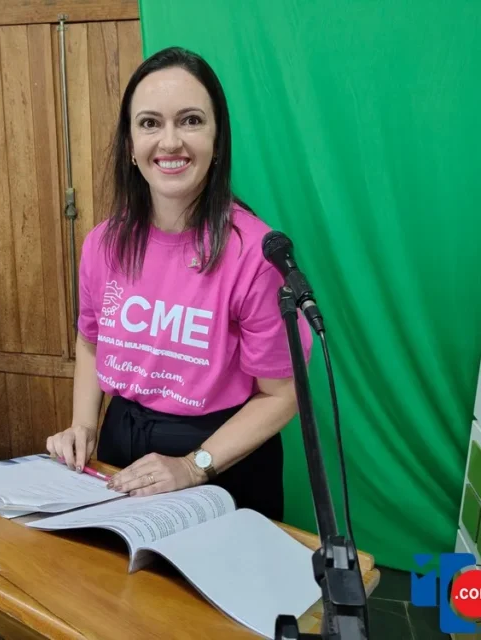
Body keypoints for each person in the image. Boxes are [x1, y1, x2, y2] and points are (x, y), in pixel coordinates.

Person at [46, 47, 312, 521]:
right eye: (150, 123)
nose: (170, 142)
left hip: (222, 458)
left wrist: (193, 466)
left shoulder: (256, 254)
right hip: (121, 445)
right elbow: (91, 341)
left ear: (217, 139)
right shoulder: (102, 244)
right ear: (130, 145)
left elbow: (283, 392)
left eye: (190, 121)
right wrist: (83, 426)